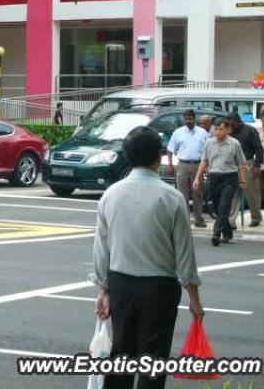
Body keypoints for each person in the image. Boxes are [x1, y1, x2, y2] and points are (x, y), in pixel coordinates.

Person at [93, 126, 203, 389]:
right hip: (160, 289)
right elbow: (185, 255)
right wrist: (195, 300)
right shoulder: (173, 198)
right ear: (158, 156)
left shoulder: (110, 195)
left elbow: (101, 250)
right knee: (153, 362)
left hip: (121, 285)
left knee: (120, 357)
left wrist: (103, 289)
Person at [193, 118, 247, 245]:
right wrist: (197, 178)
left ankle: (216, 234)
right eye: (215, 129)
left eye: (220, 129)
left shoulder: (234, 144)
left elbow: (241, 164)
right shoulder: (209, 143)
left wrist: (243, 180)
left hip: (229, 178)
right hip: (214, 178)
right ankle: (228, 233)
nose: (217, 132)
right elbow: (204, 162)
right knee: (218, 208)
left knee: (224, 206)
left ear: (227, 130)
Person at [166, 110, 209, 227]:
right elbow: (170, 150)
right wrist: (170, 165)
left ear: (194, 119)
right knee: (181, 194)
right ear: (184, 119)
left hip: (198, 166)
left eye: (190, 119)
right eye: (186, 119)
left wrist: (207, 166)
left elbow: (208, 150)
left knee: (198, 194)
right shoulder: (178, 133)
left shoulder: (203, 133)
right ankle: (184, 220)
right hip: (183, 166)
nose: (188, 121)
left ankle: (198, 219)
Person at [226, 112, 264, 228]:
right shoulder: (229, 131)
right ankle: (231, 221)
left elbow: (259, 149)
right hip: (232, 165)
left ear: (238, 122)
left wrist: (257, 165)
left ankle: (256, 217)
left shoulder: (250, 130)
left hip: (247, 163)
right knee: (233, 194)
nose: (230, 126)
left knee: (251, 193)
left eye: (232, 124)